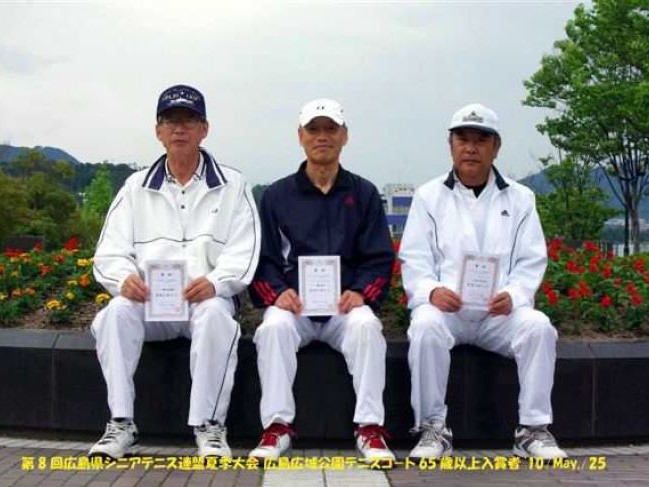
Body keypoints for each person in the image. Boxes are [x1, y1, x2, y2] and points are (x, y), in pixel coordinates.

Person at [88, 84, 260, 459]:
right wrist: (123, 279)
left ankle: (210, 427)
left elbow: (245, 251)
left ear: (204, 129)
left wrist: (215, 282)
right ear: (158, 131)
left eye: (189, 120)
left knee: (216, 318)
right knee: (114, 314)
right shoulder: (135, 187)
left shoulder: (233, 185)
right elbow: (109, 252)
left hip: (205, 300)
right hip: (151, 302)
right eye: (170, 121)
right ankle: (121, 423)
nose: (179, 128)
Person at [399, 103, 567, 461]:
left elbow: (531, 259)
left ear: (496, 147)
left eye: (481, 140)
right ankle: (432, 428)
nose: (471, 148)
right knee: (425, 326)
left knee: (539, 328)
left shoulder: (521, 198)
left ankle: (532, 429)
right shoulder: (428, 196)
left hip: (498, 313)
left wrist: (514, 295)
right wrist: (431, 291)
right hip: (448, 311)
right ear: (450, 144)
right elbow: (414, 258)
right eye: (463, 139)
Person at [248, 99, 395, 463]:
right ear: (300, 136)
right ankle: (277, 427)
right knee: (273, 328)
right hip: (295, 306)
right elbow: (262, 259)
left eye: (331, 129)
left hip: (343, 307)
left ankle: (370, 429)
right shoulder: (277, 196)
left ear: (345, 136)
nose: (322, 137)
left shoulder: (364, 193)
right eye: (314, 129)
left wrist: (360, 292)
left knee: (367, 327)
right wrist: (278, 293)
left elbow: (379, 257)